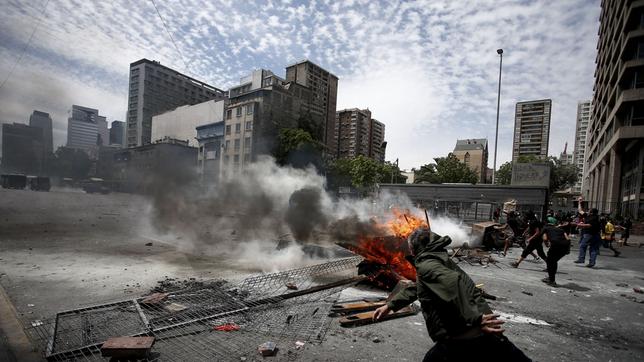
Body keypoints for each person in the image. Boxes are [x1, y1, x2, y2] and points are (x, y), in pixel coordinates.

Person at [373, 227, 531, 362]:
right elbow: (419, 287)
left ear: (415, 248)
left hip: (465, 337)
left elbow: (452, 283)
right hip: (471, 334)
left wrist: (476, 318)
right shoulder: (436, 260)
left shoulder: (427, 265)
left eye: (409, 247)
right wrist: (390, 305)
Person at [541, 217, 571, 286]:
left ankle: (552, 281)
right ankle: (551, 278)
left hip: (556, 245)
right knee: (553, 261)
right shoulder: (560, 229)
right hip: (565, 247)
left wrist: (546, 244)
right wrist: (568, 249)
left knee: (550, 262)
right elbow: (568, 239)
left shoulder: (545, 228)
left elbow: (545, 238)